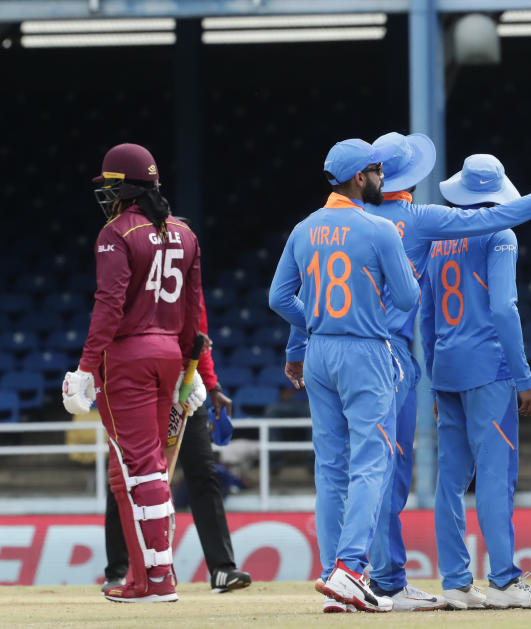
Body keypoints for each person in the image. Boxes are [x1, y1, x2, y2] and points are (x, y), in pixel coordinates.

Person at [289, 132, 531, 610]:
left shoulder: (339, 221)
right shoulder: (423, 221)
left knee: (349, 470)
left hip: (341, 348)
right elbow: (502, 241)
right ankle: (394, 579)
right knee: (393, 470)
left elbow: (303, 295)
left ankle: (370, 574)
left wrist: (297, 346)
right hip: (390, 357)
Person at [421, 153, 531, 610]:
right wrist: (524, 378)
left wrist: (435, 380)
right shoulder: (501, 233)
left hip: (448, 371)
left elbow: (425, 313)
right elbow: (503, 309)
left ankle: (457, 583)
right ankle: (503, 581)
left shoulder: (440, 240)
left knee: (450, 481)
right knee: (496, 477)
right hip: (489, 371)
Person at [268, 138, 419, 613]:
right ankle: (352, 570)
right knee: (373, 462)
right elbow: (410, 297)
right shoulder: (377, 229)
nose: (381, 179)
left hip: (319, 350)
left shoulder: (304, 227)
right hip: (365, 351)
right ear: (361, 176)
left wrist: (312, 322)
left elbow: (278, 298)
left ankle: (333, 571)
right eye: (377, 171)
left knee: (330, 468)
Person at [61, 143, 206, 602]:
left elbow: (109, 305)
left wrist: (85, 367)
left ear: (123, 188)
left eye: (110, 186)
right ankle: (143, 577)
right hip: (167, 354)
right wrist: (191, 367)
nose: (106, 195)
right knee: (130, 473)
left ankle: (159, 579)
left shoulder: (115, 233)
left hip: (126, 359)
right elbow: (191, 308)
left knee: (140, 469)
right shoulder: (186, 233)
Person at [102, 290, 251, 595]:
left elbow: (199, 337)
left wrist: (212, 385)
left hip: (185, 390)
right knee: (127, 476)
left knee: (203, 472)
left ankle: (222, 569)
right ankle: (117, 572)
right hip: (141, 387)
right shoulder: (134, 271)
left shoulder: (188, 277)